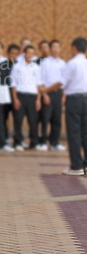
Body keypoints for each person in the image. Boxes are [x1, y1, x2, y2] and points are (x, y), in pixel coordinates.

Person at [58, 37, 87, 176]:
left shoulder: (72, 63)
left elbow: (62, 83)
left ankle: (76, 166)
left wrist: (45, 90)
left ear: (74, 48)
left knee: (74, 133)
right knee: (85, 133)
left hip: (74, 100)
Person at [11, 45, 42, 150]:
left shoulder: (36, 68)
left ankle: (34, 142)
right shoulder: (17, 67)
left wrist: (38, 100)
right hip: (20, 96)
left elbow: (39, 84)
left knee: (33, 121)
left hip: (32, 97)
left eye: (32, 54)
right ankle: (18, 142)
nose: (30, 56)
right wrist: (15, 99)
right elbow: (13, 84)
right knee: (18, 121)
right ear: (24, 53)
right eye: (29, 53)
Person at [39, 40, 66, 151]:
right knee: (45, 119)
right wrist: (44, 94)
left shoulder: (63, 63)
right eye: (53, 47)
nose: (55, 49)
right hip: (47, 93)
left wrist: (64, 96)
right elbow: (40, 80)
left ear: (60, 49)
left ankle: (54, 143)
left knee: (57, 120)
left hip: (59, 94)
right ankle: (43, 142)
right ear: (50, 49)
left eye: (57, 47)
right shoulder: (45, 63)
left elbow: (65, 81)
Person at [4, 43, 20, 142]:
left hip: (17, 96)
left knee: (17, 118)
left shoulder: (20, 66)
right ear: (8, 53)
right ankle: (5, 138)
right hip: (5, 96)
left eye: (16, 54)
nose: (14, 56)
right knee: (4, 118)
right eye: (12, 54)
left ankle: (17, 139)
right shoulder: (2, 66)